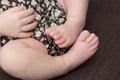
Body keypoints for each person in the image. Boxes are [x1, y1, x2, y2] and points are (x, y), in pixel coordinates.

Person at [0, 0, 99, 80]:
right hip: (31, 43)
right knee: (9, 57)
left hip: (54, 5)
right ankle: (66, 61)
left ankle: (74, 22)